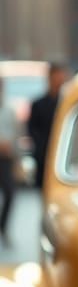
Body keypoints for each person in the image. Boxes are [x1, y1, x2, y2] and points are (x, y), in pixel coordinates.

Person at [27, 62, 68, 190]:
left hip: (64, 153)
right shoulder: (38, 104)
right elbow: (32, 129)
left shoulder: (66, 102)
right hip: (44, 155)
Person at [0, 78, 18, 247]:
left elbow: (16, 134)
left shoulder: (9, 111)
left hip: (5, 159)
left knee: (10, 194)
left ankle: (3, 227)